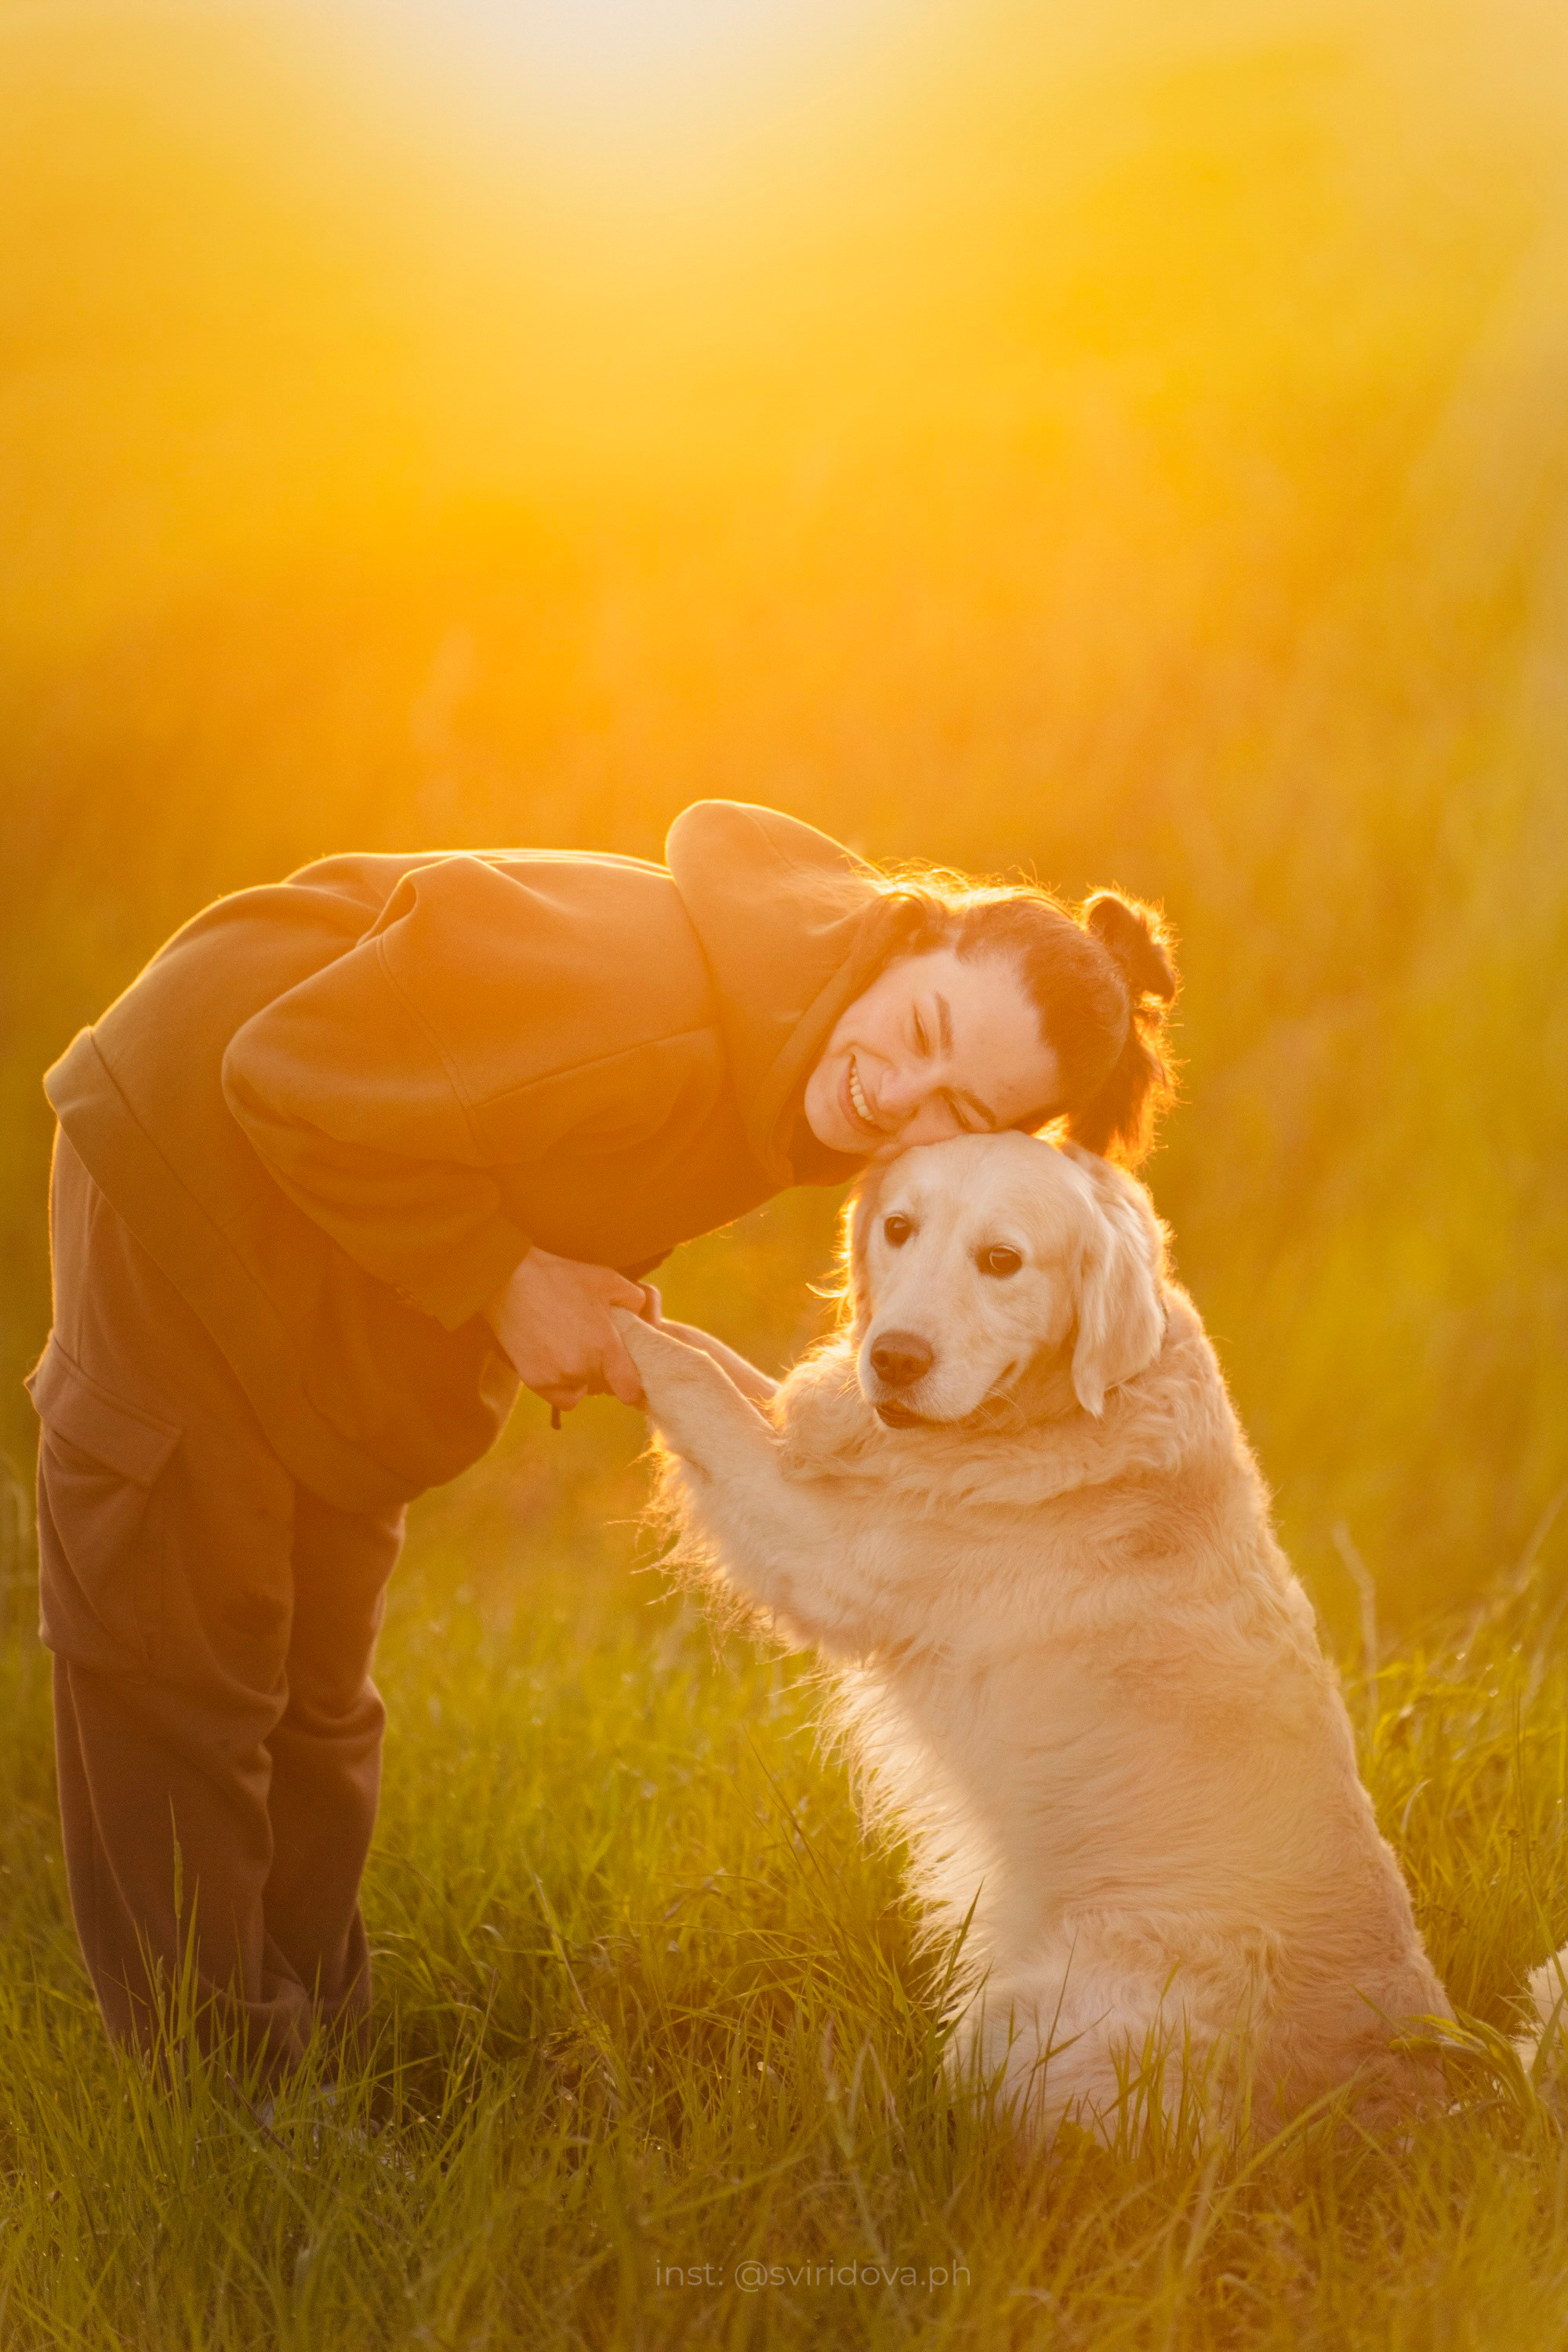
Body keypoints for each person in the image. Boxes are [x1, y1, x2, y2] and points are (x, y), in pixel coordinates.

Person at [27, 799, 1177, 2069]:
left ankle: (321, 2061)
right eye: (920, 1034)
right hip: (191, 1147)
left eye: (957, 1111)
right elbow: (284, 1067)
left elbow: (517, 1130)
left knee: (315, 1679)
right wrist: (507, 1278)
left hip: (331, 1205)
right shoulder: (649, 997)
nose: (899, 1097)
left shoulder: (798, 1056)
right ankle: (211, 2104)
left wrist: (555, 1279)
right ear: (914, 937)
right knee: (188, 1653)